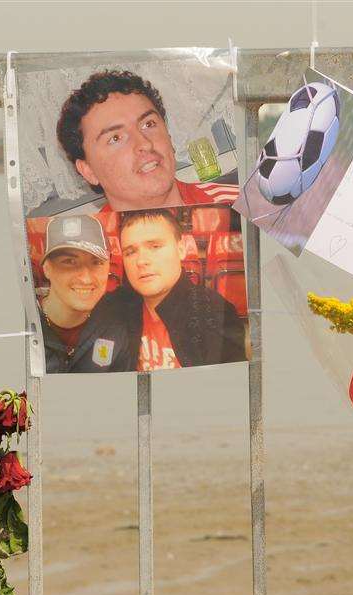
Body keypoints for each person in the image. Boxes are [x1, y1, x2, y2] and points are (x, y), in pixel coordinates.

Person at [56, 70, 239, 213]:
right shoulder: (85, 256)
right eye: (116, 138)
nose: (144, 143)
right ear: (88, 171)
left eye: (148, 124)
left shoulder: (242, 209)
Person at [117, 208, 245, 370]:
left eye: (155, 246)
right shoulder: (114, 308)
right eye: (130, 252)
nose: (141, 261)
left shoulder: (217, 314)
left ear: (181, 249)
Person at [39, 215, 135, 373]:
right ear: (47, 268)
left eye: (96, 262)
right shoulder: (21, 327)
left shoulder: (116, 329)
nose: (85, 278)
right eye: (69, 261)